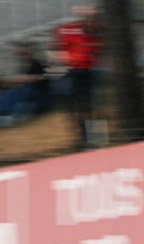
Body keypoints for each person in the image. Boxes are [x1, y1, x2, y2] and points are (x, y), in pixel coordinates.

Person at [50, 5, 103, 148]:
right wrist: (57, 70)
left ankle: (96, 139)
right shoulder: (68, 29)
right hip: (72, 72)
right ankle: (80, 139)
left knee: (90, 106)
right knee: (75, 108)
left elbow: (99, 52)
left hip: (89, 73)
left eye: (92, 17)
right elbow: (54, 49)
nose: (90, 20)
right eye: (87, 17)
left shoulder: (99, 32)